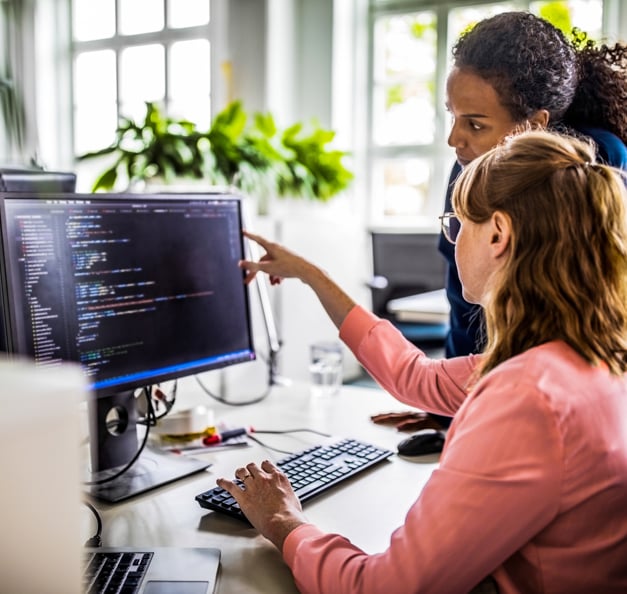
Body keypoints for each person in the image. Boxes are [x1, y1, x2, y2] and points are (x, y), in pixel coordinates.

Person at [217, 129, 627, 594]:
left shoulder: (528, 396)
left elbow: (386, 588)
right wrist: (313, 276)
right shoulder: (586, 354)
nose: (453, 243)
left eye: (457, 226)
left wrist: (284, 524)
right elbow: (415, 376)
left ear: (498, 234)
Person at [440, 11, 627, 361]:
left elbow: (602, 305)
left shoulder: (596, 160)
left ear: (534, 124)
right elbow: (463, 307)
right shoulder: (467, 166)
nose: (455, 139)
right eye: (452, 115)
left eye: (475, 125)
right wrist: (447, 409)